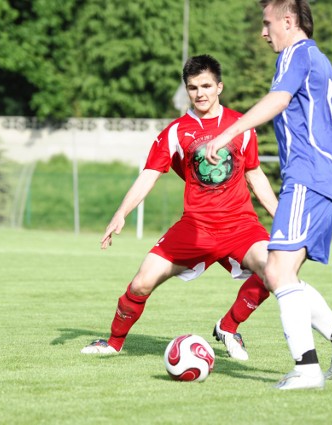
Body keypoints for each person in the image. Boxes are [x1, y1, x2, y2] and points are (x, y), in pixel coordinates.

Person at [205, 0, 332, 390]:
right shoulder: (322, 62)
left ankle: (307, 370)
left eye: (267, 23)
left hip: (306, 176)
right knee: (283, 272)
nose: (264, 33)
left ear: (288, 21)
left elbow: (277, 101)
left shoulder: (294, 54)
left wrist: (227, 133)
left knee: (277, 271)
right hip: (322, 175)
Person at [81, 54, 277, 360]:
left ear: (219, 87)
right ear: (187, 90)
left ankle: (229, 325)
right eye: (193, 87)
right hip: (195, 228)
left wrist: (279, 215)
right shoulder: (176, 131)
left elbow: (254, 174)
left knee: (274, 270)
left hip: (240, 225)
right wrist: (121, 213)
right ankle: (113, 343)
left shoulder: (242, 126)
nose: (200, 93)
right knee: (142, 281)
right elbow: (149, 175)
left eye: (206, 86)